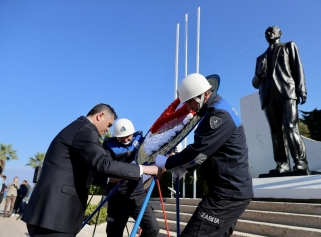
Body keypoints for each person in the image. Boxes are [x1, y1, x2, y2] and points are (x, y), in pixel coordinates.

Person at [21, 103, 160, 237]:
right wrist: (145, 169)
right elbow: (104, 164)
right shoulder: (86, 129)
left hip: (51, 216)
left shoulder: (77, 128)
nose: (107, 130)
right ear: (100, 116)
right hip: (54, 216)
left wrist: (108, 178)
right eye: (109, 125)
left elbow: (85, 171)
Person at [155, 73, 254, 237]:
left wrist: (166, 162)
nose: (188, 108)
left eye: (189, 102)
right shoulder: (218, 110)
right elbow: (209, 153)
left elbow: (198, 152)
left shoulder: (219, 116)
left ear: (203, 95)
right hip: (229, 191)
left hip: (227, 194)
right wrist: (183, 169)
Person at [252, 26, 309, 173]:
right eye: (266, 32)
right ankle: (282, 165)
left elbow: (298, 68)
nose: (269, 33)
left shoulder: (289, 46)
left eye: (272, 30)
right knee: (276, 132)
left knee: (291, 127)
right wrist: (258, 75)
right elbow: (255, 83)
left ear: (279, 34)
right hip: (268, 96)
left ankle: (300, 162)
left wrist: (301, 89)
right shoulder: (260, 58)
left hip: (286, 92)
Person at [101, 118, 159, 237]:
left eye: (129, 135)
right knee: (114, 234)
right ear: (116, 136)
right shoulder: (108, 146)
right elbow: (108, 171)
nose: (127, 139)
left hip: (138, 196)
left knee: (152, 229)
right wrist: (127, 173)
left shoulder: (140, 141)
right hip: (118, 197)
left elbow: (154, 148)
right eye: (123, 136)